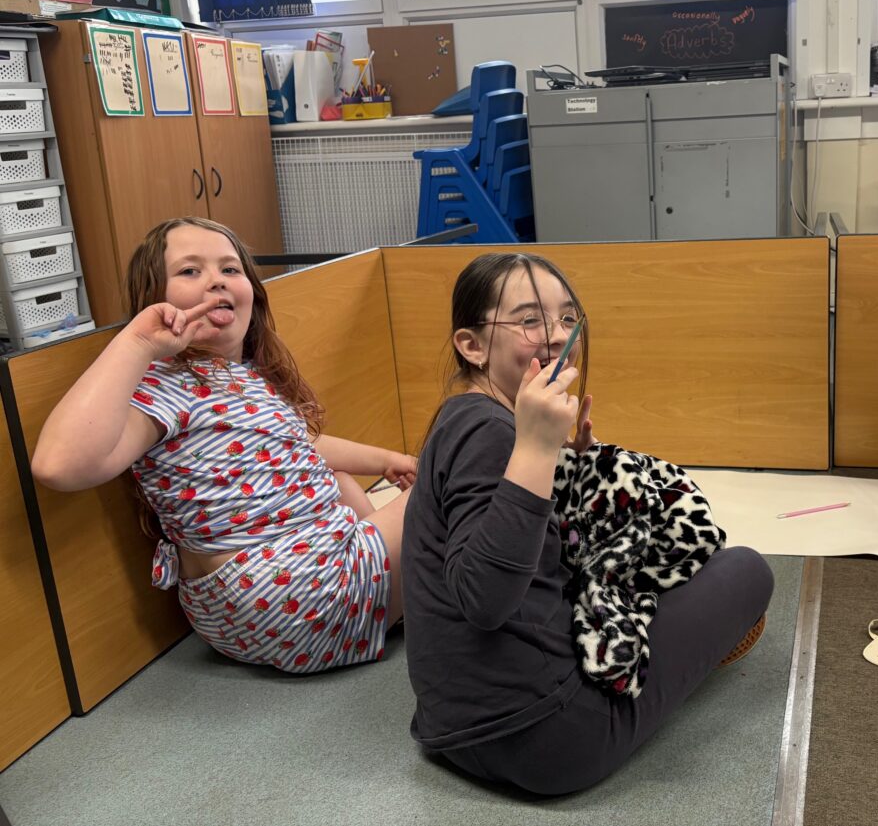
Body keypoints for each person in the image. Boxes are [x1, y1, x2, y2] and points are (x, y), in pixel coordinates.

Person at [404, 252, 774, 795]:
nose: (557, 336)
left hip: (452, 730)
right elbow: (483, 598)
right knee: (745, 569)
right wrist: (535, 448)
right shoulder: (489, 432)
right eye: (529, 320)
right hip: (551, 735)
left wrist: (563, 463)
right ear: (472, 345)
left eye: (566, 317)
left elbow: (519, 543)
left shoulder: (464, 417)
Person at [31, 217, 415, 672]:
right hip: (295, 592)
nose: (216, 280)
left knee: (336, 478)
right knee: (455, 476)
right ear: (154, 299)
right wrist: (137, 342)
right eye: (190, 271)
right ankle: (406, 584)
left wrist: (389, 460)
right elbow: (57, 465)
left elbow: (300, 445)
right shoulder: (164, 383)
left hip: (236, 614)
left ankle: (397, 586)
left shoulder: (239, 379)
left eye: (230, 269)